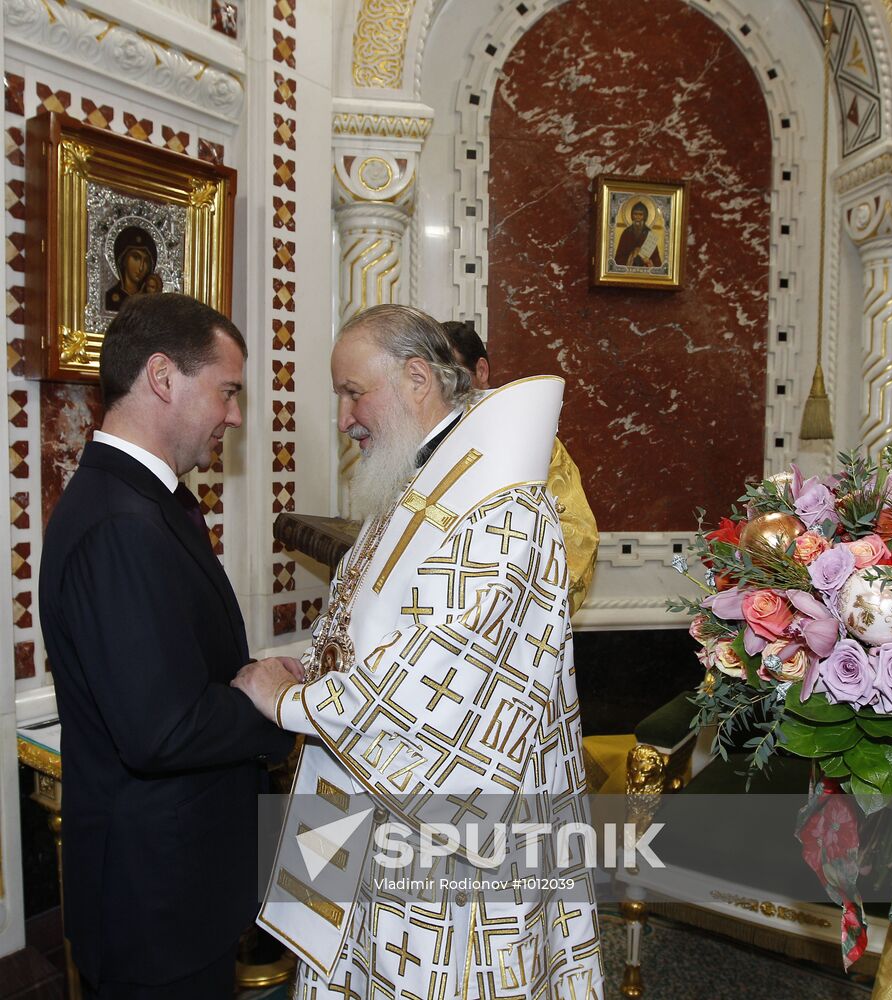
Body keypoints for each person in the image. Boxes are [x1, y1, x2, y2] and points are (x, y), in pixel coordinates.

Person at [233, 304, 603, 999]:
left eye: (352, 391)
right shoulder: (413, 483)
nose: (343, 417)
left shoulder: (502, 505)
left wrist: (289, 700)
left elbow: (437, 680)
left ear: (414, 378)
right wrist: (316, 672)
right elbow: (373, 631)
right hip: (369, 818)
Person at [38, 293, 296, 999]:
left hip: (179, 889)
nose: (235, 416)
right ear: (162, 377)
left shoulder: (143, 502)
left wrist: (247, 675)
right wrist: (270, 705)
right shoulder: (122, 523)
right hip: (157, 905)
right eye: (228, 392)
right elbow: (160, 731)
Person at [444, 320, 598, 615]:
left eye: (451, 377)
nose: (440, 393)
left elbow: (577, 537)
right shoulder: (417, 442)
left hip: (507, 613)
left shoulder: (531, 442)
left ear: (482, 371)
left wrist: (517, 608)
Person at [104, 225, 160, 311]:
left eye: (145, 261)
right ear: (123, 260)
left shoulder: (149, 302)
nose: (141, 267)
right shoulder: (110, 298)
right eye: (136, 258)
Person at [614, 201, 662, 268]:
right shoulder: (626, 233)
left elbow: (656, 260)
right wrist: (632, 254)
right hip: (629, 271)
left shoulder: (649, 234)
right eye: (635, 214)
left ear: (645, 216)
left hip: (645, 271)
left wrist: (647, 261)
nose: (637, 217)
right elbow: (618, 258)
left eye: (640, 214)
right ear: (632, 215)